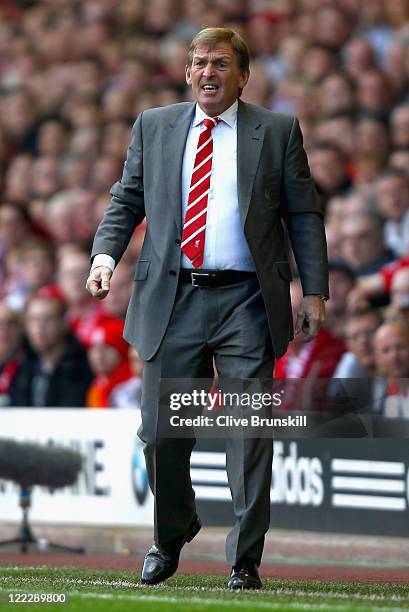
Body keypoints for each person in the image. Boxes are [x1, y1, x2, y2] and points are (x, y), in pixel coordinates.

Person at [86, 28, 328, 590]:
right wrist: (104, 256)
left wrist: (313, 290)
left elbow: (303, 216)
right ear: (187, 71)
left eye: (220, 63)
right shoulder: (154, 124)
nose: (207, 73)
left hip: (246, 298)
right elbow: (127, 197)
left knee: (250, 428)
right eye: (199, 63)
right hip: (171, 298)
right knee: (160, 433)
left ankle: (244, 558)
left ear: (243, 75)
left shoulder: (278, 129)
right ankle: (172, 531)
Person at [12, 287, 93, 407]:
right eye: (33, 320)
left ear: (64, 323)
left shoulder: (82, 367)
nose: (39, 327)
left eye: (48, 319)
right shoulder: (22, 366)